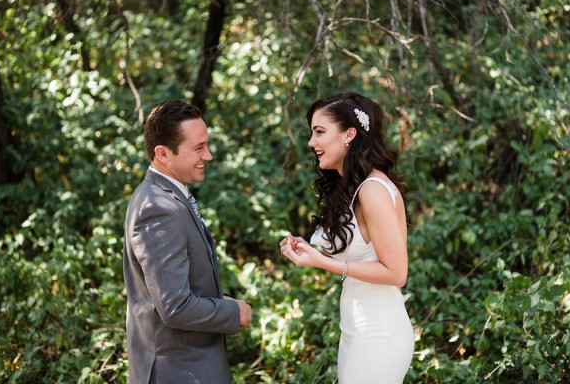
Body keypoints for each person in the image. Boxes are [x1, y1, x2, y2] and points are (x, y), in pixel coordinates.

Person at [280, 93, 414, 383]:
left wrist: (323, 263)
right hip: (357, 330)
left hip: (378, 335)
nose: (311, 142)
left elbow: (397, 272)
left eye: (319, 132)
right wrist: (309, 251)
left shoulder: (373, 190)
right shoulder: (353, 188)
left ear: (349, 135)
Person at [123, 100, 252, 384]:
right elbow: (175, 307)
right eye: (198, 148)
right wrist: (232, 312)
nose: (208, 155)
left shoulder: (165, 195)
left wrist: (218, 299)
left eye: (206, 144)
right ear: (163, 154)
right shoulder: (158, 209)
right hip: (181, 371)